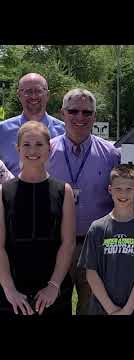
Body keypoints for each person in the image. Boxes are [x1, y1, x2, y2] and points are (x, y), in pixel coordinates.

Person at [48, 88, 120, 315]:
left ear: (95, 117)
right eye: (73, 111)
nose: (80, 117)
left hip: (95, 248)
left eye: (87, 113)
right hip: (54, 246)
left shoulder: (112, 154)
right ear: (62, 113)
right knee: (53, 306)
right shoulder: (45, 150)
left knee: (91, 308)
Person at [0, 121, 75, 316]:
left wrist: (54, 285)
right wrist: (9, 289)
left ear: (49, 148)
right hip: (13, 294)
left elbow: (68, 243)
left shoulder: (63, 191)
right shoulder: (3, 193)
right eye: (26, 144)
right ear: (17, 148)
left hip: (53, 293)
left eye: (39, 144)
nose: (33, 150)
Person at [78, 164, 134, 315]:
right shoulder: (97, 228)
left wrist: (126, 311)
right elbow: (91, 273)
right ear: (110, 190)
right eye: (118, 189)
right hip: (101, 309)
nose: (123, 193)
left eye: (129, 189)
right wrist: (111, 309)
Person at [0, 73, 65, 176]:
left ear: (47, 95)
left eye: (39, 91)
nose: (34, 96)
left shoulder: (64, 132)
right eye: (28, 91)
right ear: (19, 95)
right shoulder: (2, 131)